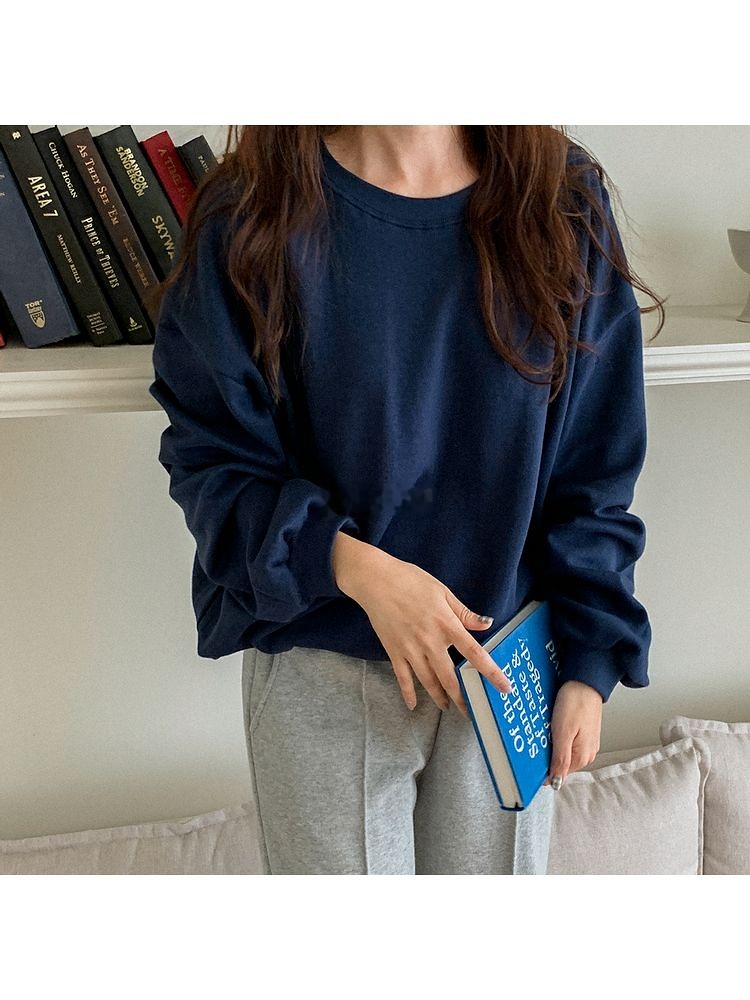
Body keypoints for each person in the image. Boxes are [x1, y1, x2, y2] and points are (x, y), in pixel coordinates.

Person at [148, 126, 664, 875]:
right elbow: (214, 462)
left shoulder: (560, 199)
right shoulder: (252, 209)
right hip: (322, 665)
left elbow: (596, 464)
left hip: (503, 671)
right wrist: (358, 569)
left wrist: (590, 660)